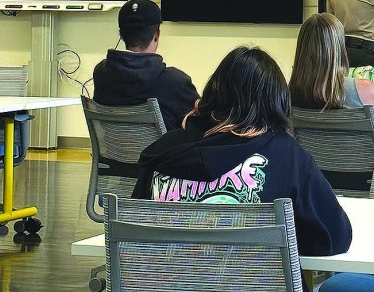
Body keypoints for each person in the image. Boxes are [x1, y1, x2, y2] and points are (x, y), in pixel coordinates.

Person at [131, 46, 353, 258]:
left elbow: (133, 236)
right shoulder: (287, 156)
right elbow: (335, 237)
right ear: (276, 102)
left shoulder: (162, 150)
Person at [93, 0, 199, 131]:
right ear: (156, 35)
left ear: (121, 35)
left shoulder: (101, 74)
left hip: (113, 152)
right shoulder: (176, 82)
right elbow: (201, 125)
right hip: (160, 152)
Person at [289, 13, 374, 133]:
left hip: (310, 152)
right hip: (361, 152)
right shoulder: (365, 90)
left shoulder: (287, 95)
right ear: (340, 47)